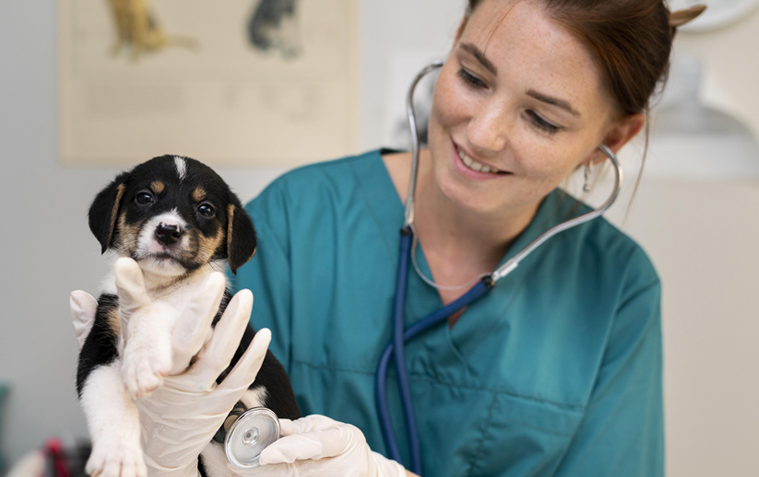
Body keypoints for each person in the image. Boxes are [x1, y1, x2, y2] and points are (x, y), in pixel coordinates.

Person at [71, 0, 704, 475]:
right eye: (474, 77)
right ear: (454, 40)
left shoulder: (616, 289)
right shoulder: (299, 218)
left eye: (540, 117)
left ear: (612, 139)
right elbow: (201, 426)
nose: (481, 133)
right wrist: (164, 447)